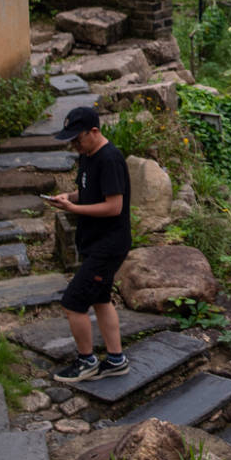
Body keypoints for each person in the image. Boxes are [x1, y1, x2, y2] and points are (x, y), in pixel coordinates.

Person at [47, 105, 132, 381]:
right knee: (100, 299)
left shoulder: (110, 159)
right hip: (95, 242)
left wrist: (73, 210)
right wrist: (69, 197)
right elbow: (89, 192)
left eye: (77, 139)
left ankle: (87, 361)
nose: (74, 145)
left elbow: (113, 207)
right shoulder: (88, 156)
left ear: (94, 132)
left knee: (73, 302)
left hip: (109, 245)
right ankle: (116, 359)